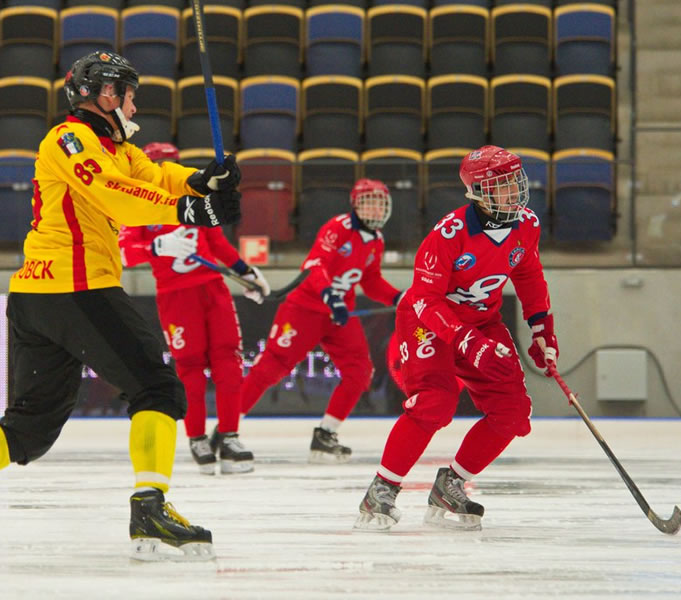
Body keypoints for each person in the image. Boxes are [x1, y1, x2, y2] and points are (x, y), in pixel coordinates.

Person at [0, 51, 242, 561]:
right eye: (128, 91)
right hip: (75, 288)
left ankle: (148, 508)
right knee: (156, 388)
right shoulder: (70, 139)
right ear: (106, 94)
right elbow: (115, 196)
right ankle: (149, 509)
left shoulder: (113, 145)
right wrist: (191, 209)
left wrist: (204, 180)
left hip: (37, 296)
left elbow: (154, 177)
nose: (134, 101)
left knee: (27, 431)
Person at [354, 145, 559, 531]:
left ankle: (450, 485)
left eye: (516, 181)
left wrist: (541, 329)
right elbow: (426, 299)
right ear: (480, 192)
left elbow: (528, 274)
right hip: (426, 321)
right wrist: (465, 341)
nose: (515, 191)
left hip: (483, 322)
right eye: (503, 185)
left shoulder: (527, 224)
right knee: (435, 402)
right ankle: (381, 489)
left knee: (513, 411)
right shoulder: (448, 234)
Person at [119, 142, 270, 476]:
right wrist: (156, 246)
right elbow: (123, 252)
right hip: (175, 296)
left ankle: (229, 435)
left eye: (170, 164)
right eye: (158, 164)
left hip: (212, 288)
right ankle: (197, 437)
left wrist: (246, 272)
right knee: (190, 368)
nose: (165, 171)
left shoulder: (193, 197)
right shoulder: (136, 205)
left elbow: (216, 243)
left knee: (229, 361)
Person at [240, 179, 402, 463]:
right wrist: (331, 297)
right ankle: (227, 428)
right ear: (355, 204)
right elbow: (315, 266)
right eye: (369, 202)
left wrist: (398, 298)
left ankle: (326, 434)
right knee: (272, 367)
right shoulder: (337, 228)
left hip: (339, 314)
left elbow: (372, 281)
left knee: (360, 372)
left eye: (380, 203)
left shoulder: (376, 241)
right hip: (305, 308)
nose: (375, 209)